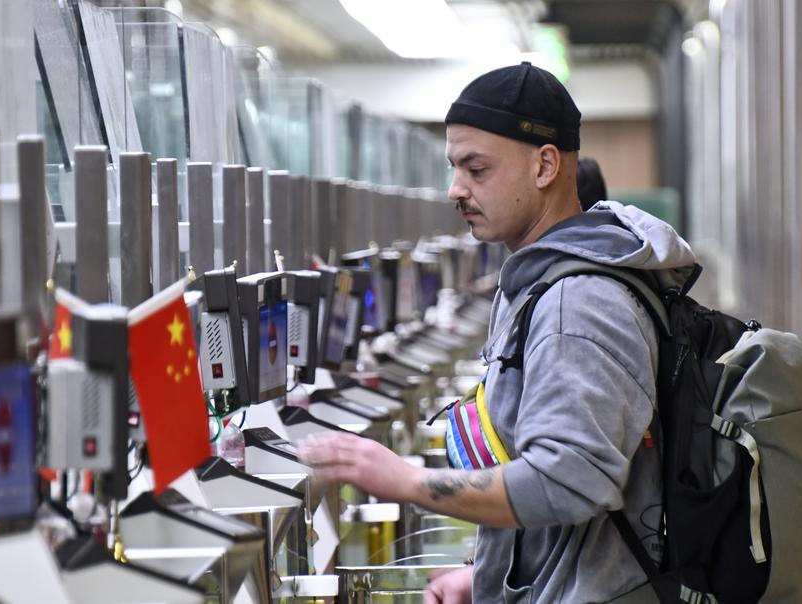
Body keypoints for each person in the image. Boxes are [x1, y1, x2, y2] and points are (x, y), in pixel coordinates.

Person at [298, 62, 697, 603]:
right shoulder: (543, 283)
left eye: (476, 169)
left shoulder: (577, 303)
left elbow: (568, 479)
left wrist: (409, 482)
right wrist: (487, 574)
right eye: (454, 168)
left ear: (544, 166)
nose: (454, 190)